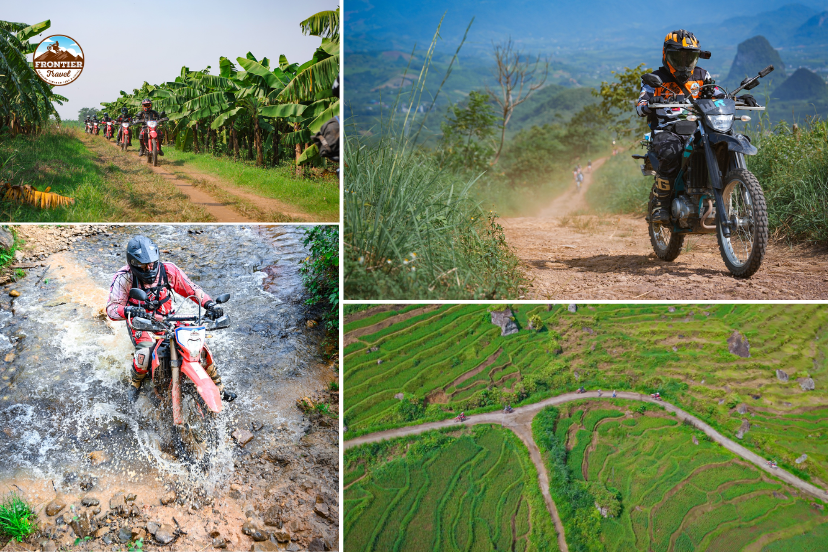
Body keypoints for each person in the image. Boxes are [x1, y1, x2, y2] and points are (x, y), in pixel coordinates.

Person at [636, 30, 758, 223]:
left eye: (689, 57)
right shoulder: (654, 79)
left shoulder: (702, 75)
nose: (684, 63)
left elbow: (715, 94)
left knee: (722, 142)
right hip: (668, 130)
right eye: (678, 57)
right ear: (666, 55)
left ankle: (723, 193)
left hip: (699, 126)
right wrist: (651, 101)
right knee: (670, 152)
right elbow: (640, 106)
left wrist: (735, 99)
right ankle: (661, 204)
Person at [106, 235, 236, 403]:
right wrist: (132, 310)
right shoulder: (124, 277)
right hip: (143, 324)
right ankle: (135, 383)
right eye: (144, 266)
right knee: (144, 355)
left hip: (170, 319)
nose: (150, 268)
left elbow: (192, 289)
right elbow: (112, 309)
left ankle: (219, 387)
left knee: (200, 348)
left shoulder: (168, 270)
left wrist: (210, 304)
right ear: (133, 264)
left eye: (152, 264)